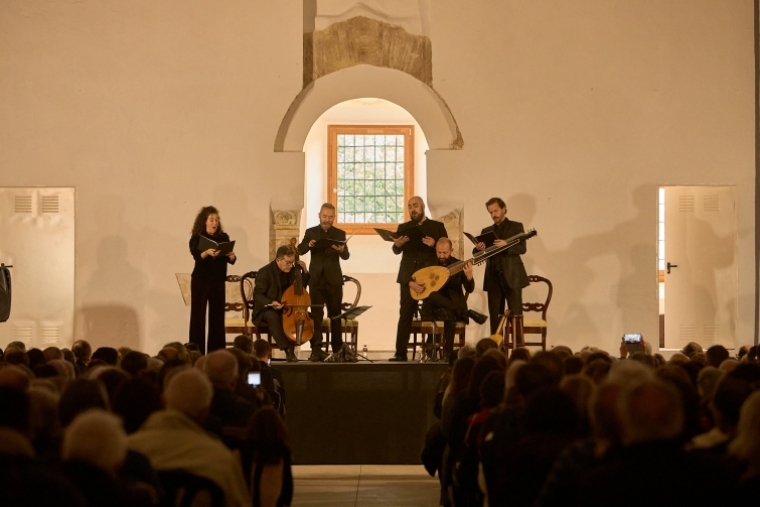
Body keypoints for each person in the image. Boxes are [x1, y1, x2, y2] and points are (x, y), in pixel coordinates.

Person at [390, 196, 448, 361]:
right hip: (408, 277)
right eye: (409, 207)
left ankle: (430, 353)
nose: (412, 209)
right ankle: (400, 353)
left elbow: (446, 248)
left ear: (422, 206)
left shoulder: (437, 227)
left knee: (432, 313)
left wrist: (435, 244)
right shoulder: (404, 227)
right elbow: (396, 251)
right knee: (405, 314)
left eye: (415, 205)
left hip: (430, 277)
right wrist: (398, 245)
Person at [297, 202, 350, 361]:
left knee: (335, 315)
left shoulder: (339, 233)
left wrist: (342, 251)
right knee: (316, 316)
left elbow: (346, 255)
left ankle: (337, 350)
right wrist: (309, 244)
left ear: (334, 218)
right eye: (324, 216)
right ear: (319, 215)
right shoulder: (311, 231)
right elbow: (300, 249)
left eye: (330, 217)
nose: (327, 219)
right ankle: (316, 349)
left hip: (333, 279)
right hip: (316, 280)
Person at [420, 238, 487, 362]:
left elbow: (470, 289)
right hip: (434, 308)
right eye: (439, 252)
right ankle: (467, 313)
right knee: (433, 295)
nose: (442, 256)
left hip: (451, 311)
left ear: (451, 250)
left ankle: (448, 354)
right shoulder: (429, 265)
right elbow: (422, 286)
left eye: (445, 253)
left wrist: (469, 277)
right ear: (435, 250)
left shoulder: (459, 265)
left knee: (449, 314)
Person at [474, 197, 529, 335]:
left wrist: (506, 246)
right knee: (495, 318)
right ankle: (497, 351)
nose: (494, 215)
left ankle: (518, 350)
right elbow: (478, 255)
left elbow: (522, 248)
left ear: (504, 209)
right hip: (493, 279)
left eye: (496, 211)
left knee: (516, 315)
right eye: (491, 212)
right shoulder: (486, 230)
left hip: (513, 277)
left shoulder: (517, 227)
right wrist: (478, 249)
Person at [188, 206, 236, 354]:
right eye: (211, 219)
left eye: (216, 219)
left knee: (217, 317)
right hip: (200, 281)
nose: (214, 222)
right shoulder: (197, 238)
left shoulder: (223, 237)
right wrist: (206, 253)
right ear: (204, 222)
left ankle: (217, 353)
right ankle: (197, 352)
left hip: (218, 281)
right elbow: (197, 256)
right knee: (198, 317)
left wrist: (232, 257)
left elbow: (231, 258)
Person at [251, 245, 311, 363]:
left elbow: (300, 290)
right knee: (273, 316)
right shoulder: (265, 272)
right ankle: (288, 350)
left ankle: (317, 349)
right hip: (268, 310)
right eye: (288, 262)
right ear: (278, 260)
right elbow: (258, 296)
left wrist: (304, 272)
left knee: (313, 318)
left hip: (287, 309)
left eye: (292, 262)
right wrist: (271, 303)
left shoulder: (293, 271)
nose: (290, 265)